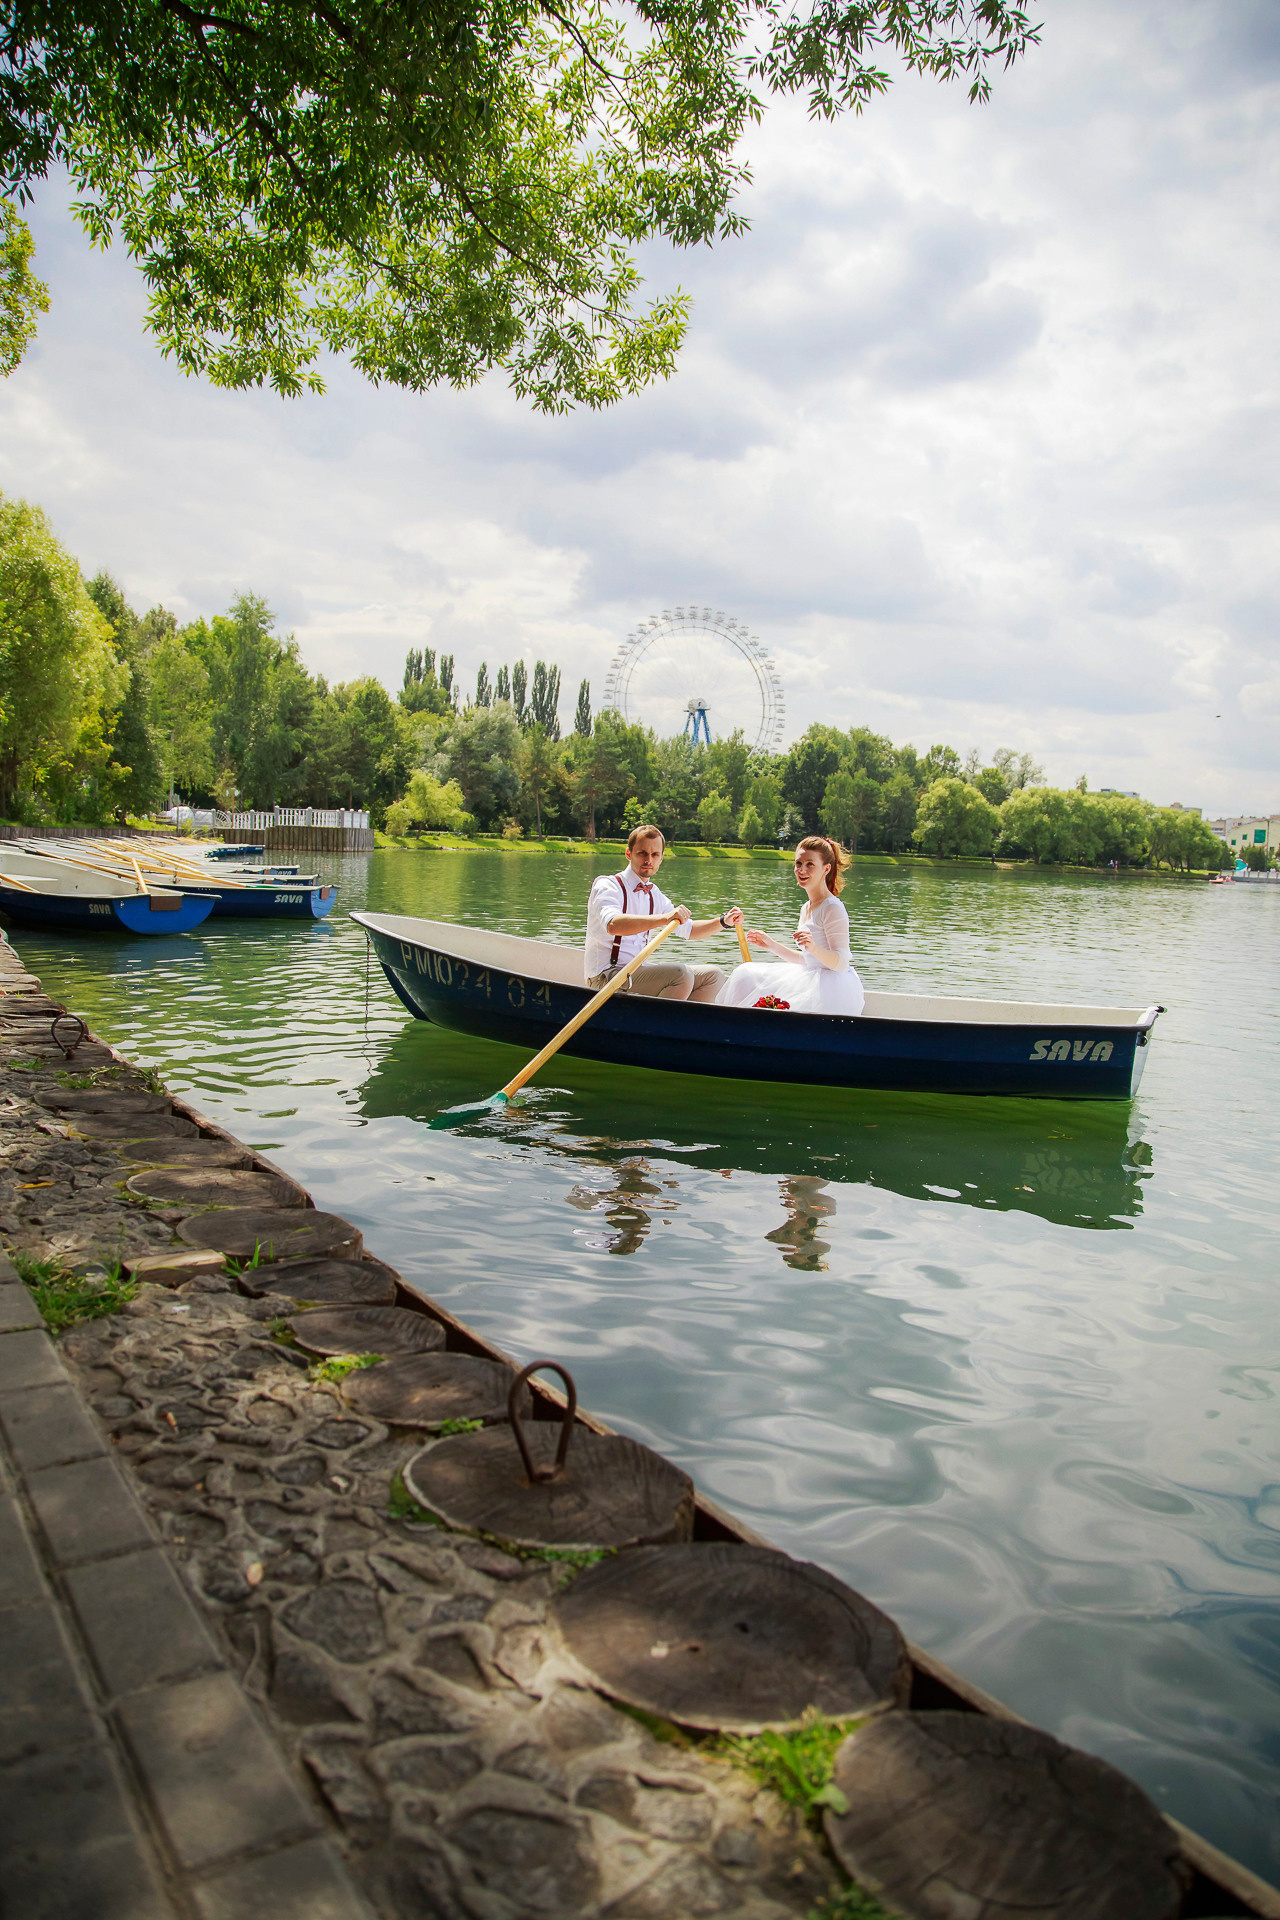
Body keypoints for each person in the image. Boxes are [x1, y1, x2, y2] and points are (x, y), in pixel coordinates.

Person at [584, 824, 741, 1002]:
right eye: (642, 853)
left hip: (634, 975)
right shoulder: (607, 885)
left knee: (713, 976)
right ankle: (658, 1025)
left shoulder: (654, 894)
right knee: (680, 975)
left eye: (655, 854)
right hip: (605, 977)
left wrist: (724, 921)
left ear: (661, 859)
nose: (648, 860)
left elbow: (689, 930)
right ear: (629, 854)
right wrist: (664, 918)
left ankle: (680, 1026)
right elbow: (613, 925)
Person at [717, 836, 865, 1016]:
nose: (801, 870)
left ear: (826, 869)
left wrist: (813, 947)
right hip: (810, 976)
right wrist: (771, 945)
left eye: (810, 864)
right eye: (798, 863)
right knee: (745, 974)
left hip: (831, 989)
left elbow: (841, 963)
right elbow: (808, 960)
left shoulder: (832, 908)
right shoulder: (807, 907)